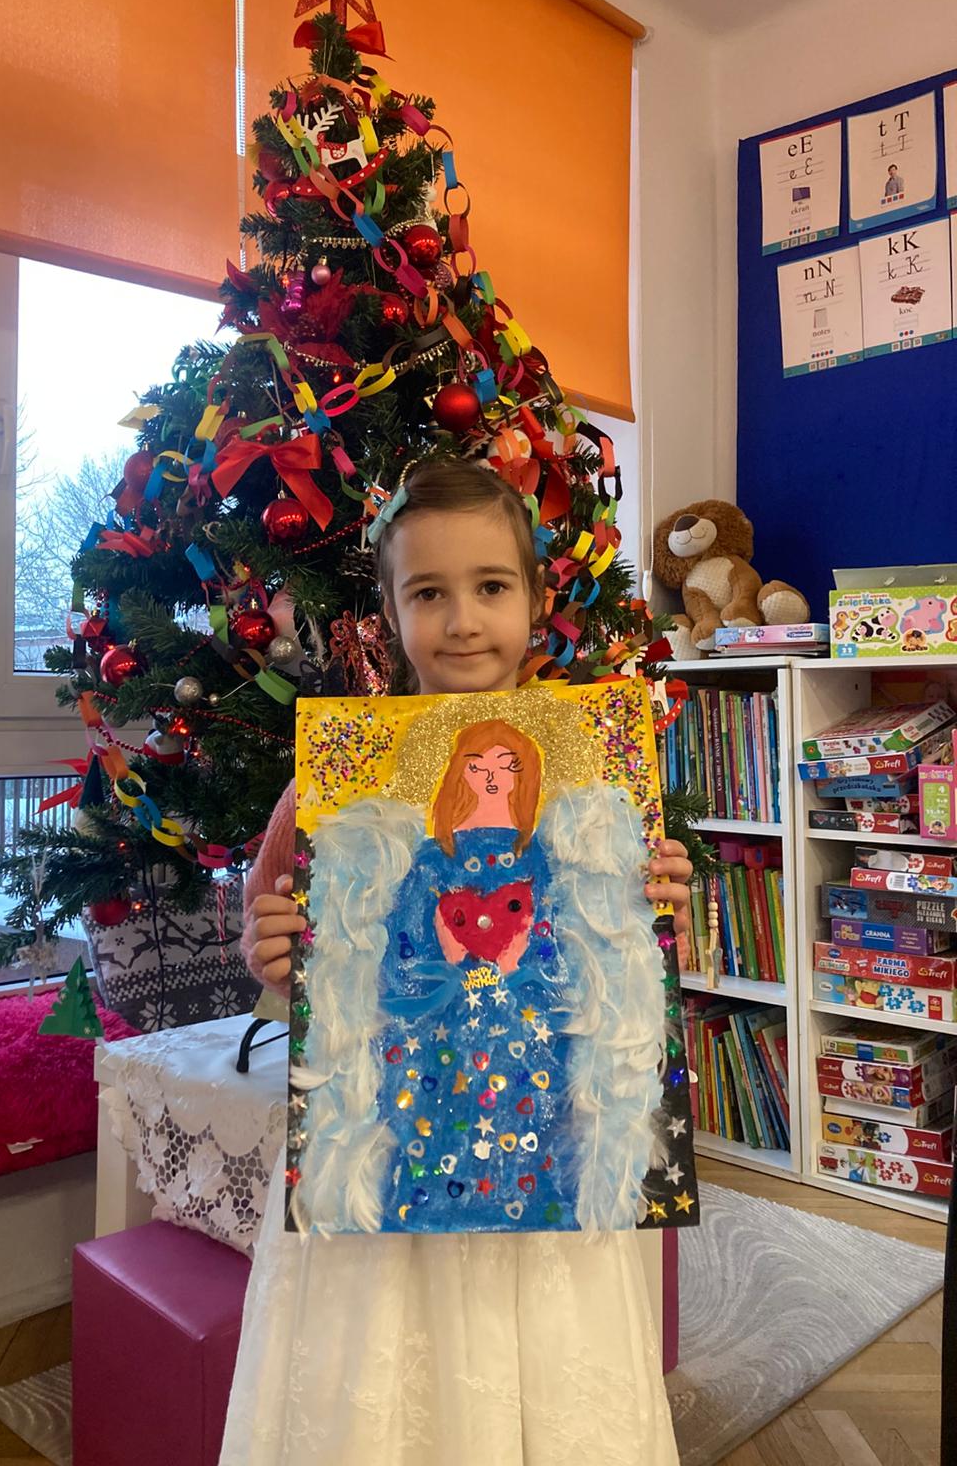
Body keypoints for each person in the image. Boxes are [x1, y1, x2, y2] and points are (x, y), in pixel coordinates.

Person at [223, 456, 694, 1465]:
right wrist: (275, 959)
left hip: (548, 1168)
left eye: (490, 586)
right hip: (389, 1172)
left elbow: (630, 985)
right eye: (429, 593)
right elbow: (281, 956)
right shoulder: (334, 785)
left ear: (537, 601)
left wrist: (658, 917)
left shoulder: (598, 782)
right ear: (389, 615)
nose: (464, 620)